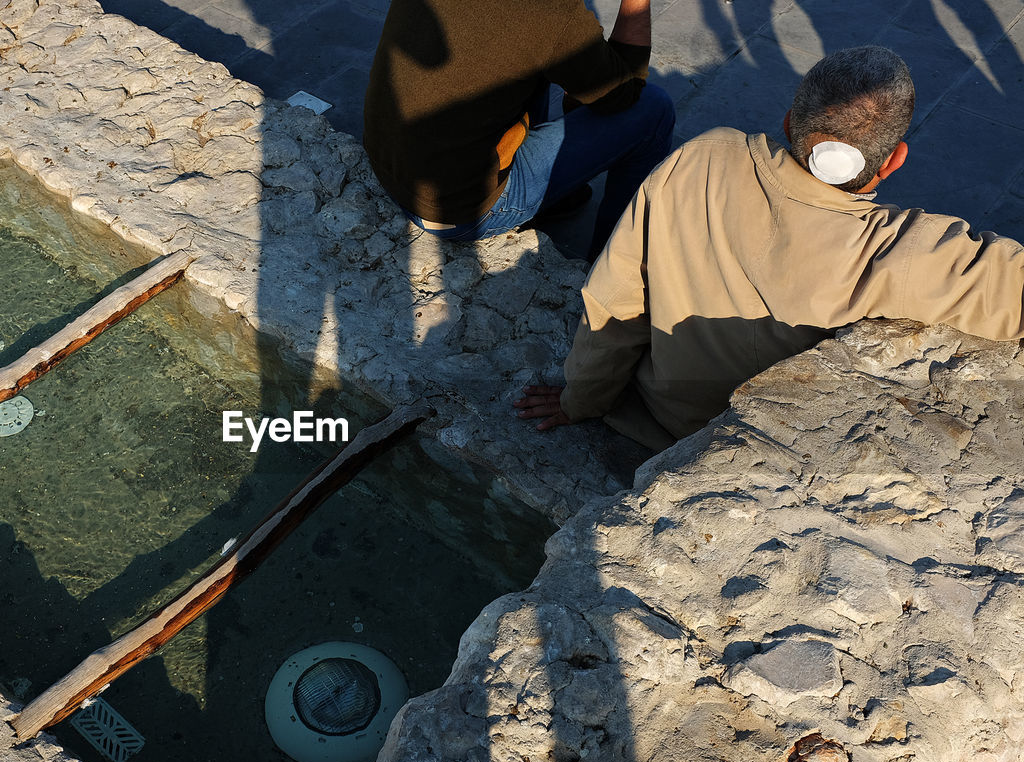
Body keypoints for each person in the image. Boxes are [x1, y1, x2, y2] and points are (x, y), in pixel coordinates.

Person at [514, 45, 1024, 451]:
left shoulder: (700, 159)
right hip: (736, 446)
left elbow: (615, 302)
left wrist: (579, 399)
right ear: (894, 162)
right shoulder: (901, 252)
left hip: (653, 415)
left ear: (787, 124)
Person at [362, 0, 676, 260]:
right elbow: (622, 95)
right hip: (460, 209)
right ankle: (613, 269)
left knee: (540, 52)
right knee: (654, 110)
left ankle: (558, 193)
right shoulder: (554, 13)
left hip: (388, 166)